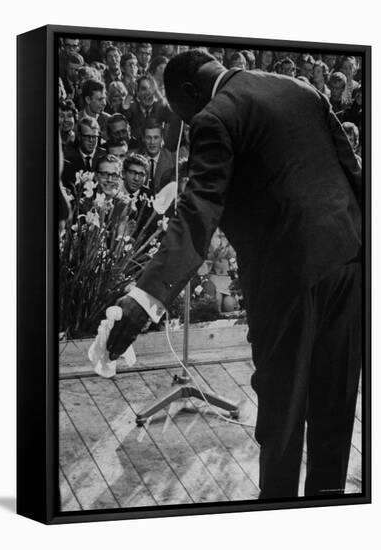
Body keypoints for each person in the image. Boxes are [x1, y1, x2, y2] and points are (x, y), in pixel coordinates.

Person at [107, 49, 362, 500]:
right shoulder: (302, 89)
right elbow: (354, 173)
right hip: (348, 262)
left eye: (179, 113)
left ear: (188, 91)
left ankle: (277, 510)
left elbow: (199, 209)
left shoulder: (215, 116)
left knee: (282, 411)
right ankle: (329, 507)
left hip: (286, 279)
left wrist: (145, 298)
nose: (184, 124)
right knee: (336, 404)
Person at [140, 120, 175, 194]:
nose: (152, 142)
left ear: (162, 138)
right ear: (143, 138)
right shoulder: (135, 157)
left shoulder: (172, 159)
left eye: (156, 137)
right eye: (148, 137)